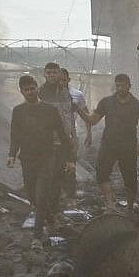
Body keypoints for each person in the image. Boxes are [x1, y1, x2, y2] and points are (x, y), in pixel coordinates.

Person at [6, 75, 74, 242]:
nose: (30, 92)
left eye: (32, 88)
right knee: (32, 196)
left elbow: (62, 136)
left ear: (37, 88)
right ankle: (50, 217)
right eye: (26, 89)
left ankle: (37, 238)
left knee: (41, 195)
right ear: (21, 91)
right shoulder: (18, 111)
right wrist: (12, 155)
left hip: (47, 158)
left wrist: (70, 159)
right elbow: (15, 135)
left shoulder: (50, 110)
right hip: (27, 159)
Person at [84, 74, 139, 210]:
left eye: (124, 85)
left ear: (129, 86)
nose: (121, 88)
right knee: (101, 173)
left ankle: (130, 207)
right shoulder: (107, 102)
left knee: (130, 177)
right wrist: (79, 109)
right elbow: (93, 120)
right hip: (109, 144)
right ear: (115, 86)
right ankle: (110, 204)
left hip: (128, 145)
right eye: (118, 85)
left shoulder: (137, 104)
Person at [39, 62, 81, 211]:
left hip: (66, 140)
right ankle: (49, 208)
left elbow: (69, 116)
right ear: (44, 74)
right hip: (49, 141)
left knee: (66, 171)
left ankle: (62, 204)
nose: (51, 75)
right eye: (48, 73)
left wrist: (74, 137)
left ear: (59, 74)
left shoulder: (65, 93)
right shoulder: (41, 93)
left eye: (54, 73)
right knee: (50, 175)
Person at [59, 67, 91, 204]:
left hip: (71, 136)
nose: (61, 81)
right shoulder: (49, 94)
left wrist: (89, 134)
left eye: (63, 79)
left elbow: (87, 115)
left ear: (68, 79)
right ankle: (57, 192)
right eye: (58, 79)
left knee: (70, 164)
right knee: (55, 164)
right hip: (51, 137)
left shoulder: (76, 95)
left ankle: (70, 194)